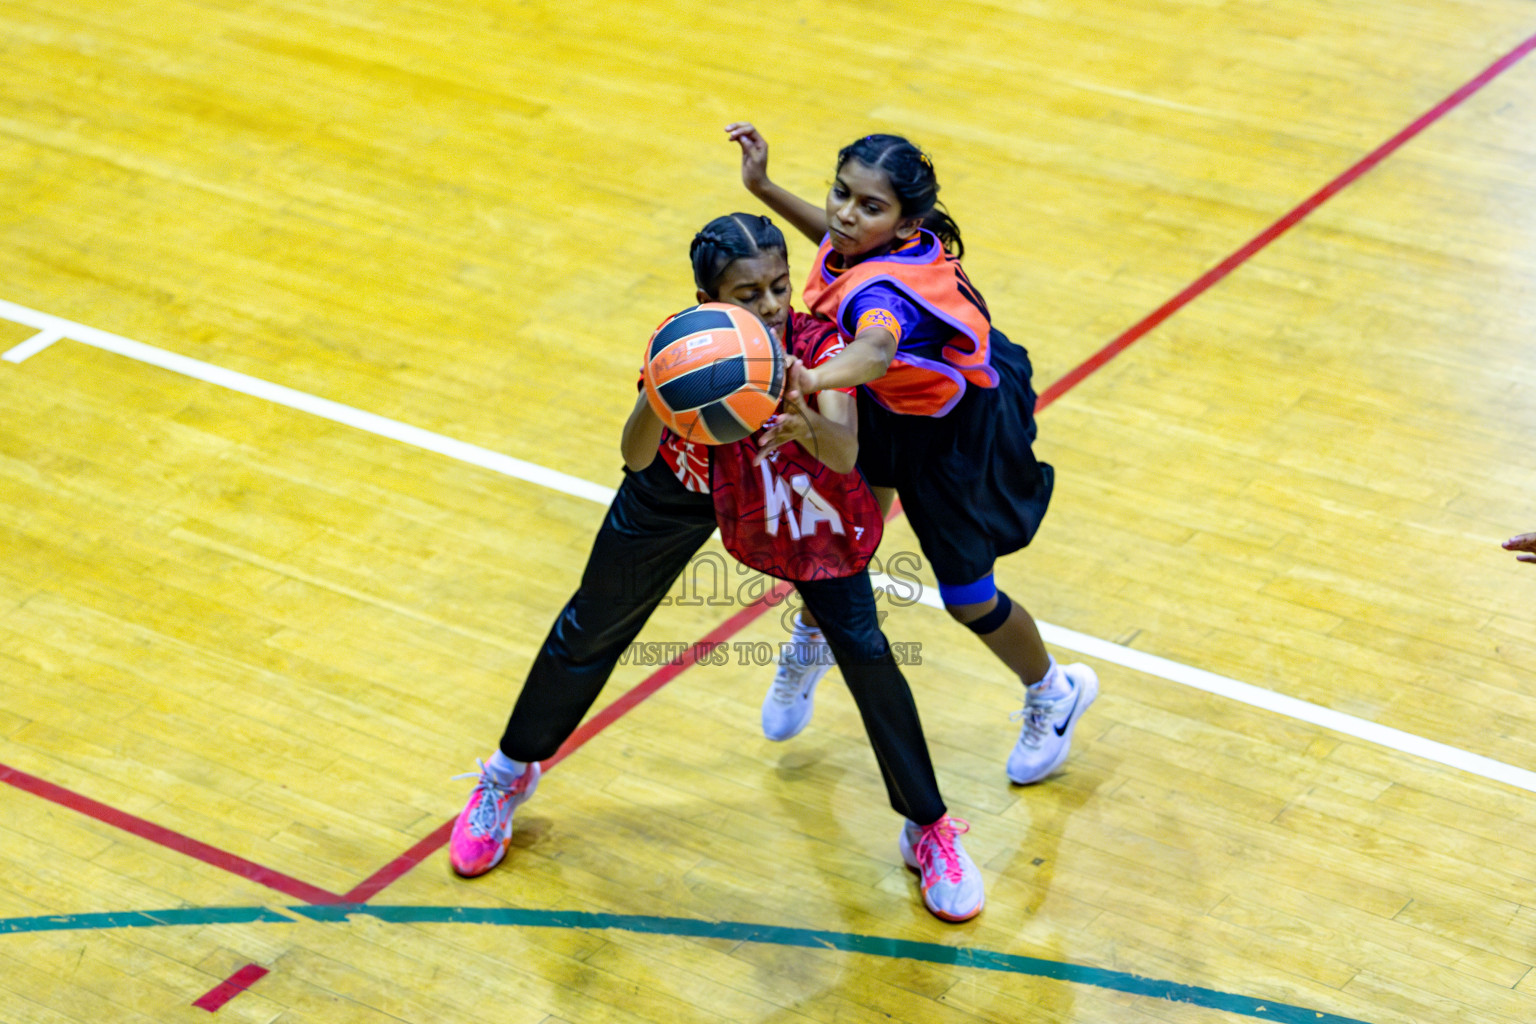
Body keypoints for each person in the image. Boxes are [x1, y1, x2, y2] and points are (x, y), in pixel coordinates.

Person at [449, 213, 985, 922]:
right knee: (592, 624)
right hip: (679, 482)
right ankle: (508, 774)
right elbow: (636, 456)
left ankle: (928, 828)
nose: (767, 306)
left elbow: (846, 455)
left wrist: (807, 423)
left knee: (865, 648)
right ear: (708, 300)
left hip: (790, 485)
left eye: (778, 286)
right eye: (746, 293)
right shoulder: (682, 344)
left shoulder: (812, 345)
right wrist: (661, 392)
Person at [728, 123, 1097, 786]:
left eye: (870, 206)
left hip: (950, 435)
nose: (844, 213)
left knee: (969, 599)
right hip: (889, 408)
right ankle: (812, 641)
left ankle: (1054, 690)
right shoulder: (859, 246)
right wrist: (762, 185)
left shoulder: (883, 296)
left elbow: (873, 347)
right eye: (842, 193)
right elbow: (830, 240)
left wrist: (814, 379)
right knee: (836, 544)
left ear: (905, 225)